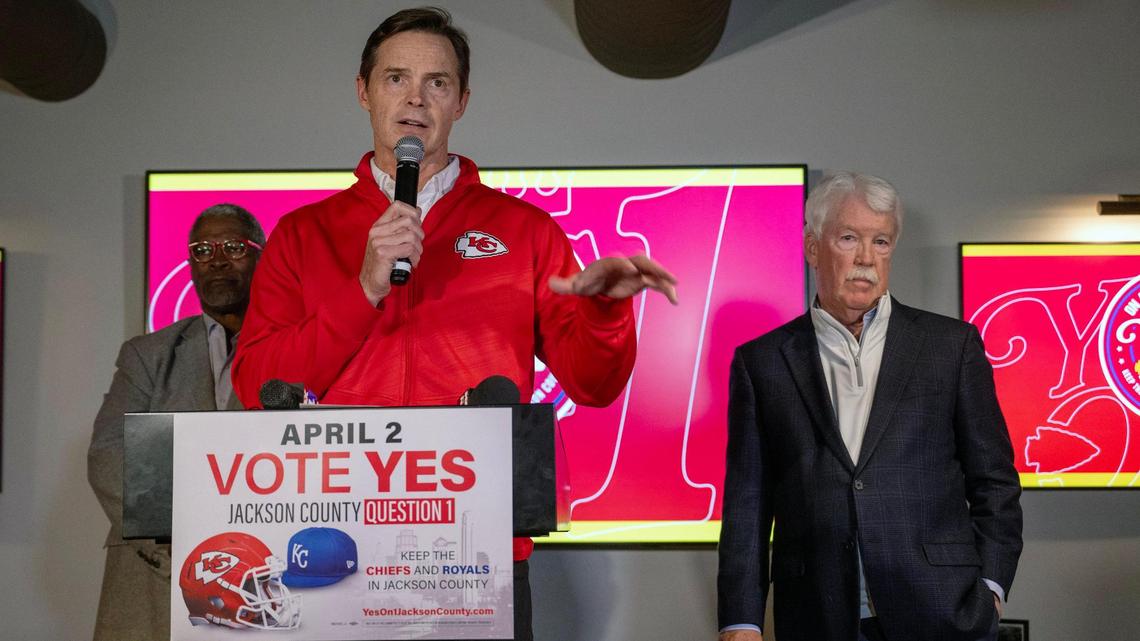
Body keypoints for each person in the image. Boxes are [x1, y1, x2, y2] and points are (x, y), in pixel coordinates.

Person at [230, 7, 677, 640]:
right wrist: (363, 289)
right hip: (332, 557)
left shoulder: (524, 232)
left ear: (461, 101)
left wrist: (604, 310)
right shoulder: (304, 234)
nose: (415, 99)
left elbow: (595, 385)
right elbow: (256, 385)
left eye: (437, 82)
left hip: (475, 558)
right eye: (395, 79)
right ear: (363, 91)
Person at [717, 172, 1022, 641]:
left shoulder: (950, 346)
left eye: (881, 241)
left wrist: (991, 588)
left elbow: (995, 482)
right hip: (816, 616)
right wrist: (741, 620)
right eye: (848, 238)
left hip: (944, 613)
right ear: (812, 248)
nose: (865, 258)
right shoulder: (762, 362)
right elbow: (748, 505)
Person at [88, 203, 265, 641]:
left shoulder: (301, 346)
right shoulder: (146, 354)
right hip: (155, 571)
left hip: (262, 572)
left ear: (263, 255)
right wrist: (181, 551)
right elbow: (110, 454)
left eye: (232, 247)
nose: (217, 260)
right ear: (189, 264)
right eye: (202, 250)